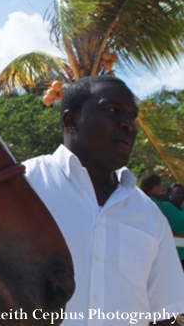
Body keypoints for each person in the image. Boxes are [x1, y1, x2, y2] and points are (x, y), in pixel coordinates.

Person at [24, 76, 184, 325]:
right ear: (71, 120)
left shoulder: (149, 215)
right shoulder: (25, 186)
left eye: (132, 115)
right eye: (113, 110)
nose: (129, 125)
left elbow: (164, 313)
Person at [162, 183, 184, 269]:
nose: (181, 195)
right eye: (177, 193)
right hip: (174, 251)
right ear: (169, 194)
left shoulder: (182, 209)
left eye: (182, 193)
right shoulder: (165, 207)